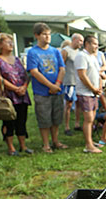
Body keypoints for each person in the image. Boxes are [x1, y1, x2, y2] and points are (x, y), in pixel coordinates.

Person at [0, 33, 32, 156]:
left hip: (22, 95)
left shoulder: (17, 59)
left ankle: (23, 146)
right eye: (8, 42)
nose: (11, 44)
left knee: (22, 120)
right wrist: (15, 88)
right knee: (9, 122)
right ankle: (11, 147)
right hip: (7, 96)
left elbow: (25, 75)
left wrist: (24, 87)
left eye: (11, 42)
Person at [27, 22, 67, 153]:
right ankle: (46, 144)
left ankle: (55, 141)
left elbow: (62, 68)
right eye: (44, 34)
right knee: (44, 119)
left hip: (56, 90)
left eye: (49, 34)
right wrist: (50, 86)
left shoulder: (55, 51)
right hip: (42, 92)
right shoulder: (33, 52)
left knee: (56, 118)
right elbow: (34, 72)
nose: (47, 37)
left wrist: (57, 84)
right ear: (37, 35)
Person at [74, 35, 103, 153]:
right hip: (85, 92)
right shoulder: (81, 56)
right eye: (95, 44)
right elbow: (82, 75)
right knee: (88, 118)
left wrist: (99, 86)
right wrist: (93, 88)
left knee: (92, 118)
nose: (97, 46)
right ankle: (88, 145)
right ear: (87, 44)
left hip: (94, 92)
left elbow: (98, 73)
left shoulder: (93, 57)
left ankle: (90, 141)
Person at [61, 33, 84, 136]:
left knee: (78, 103)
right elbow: (61, 66)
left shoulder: (79, 52)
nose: (81, 43)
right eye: (80, 41)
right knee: (69, 103)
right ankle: (66, 126)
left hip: (78, 81)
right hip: (69, 81)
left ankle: (77, 124)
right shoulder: (66, 50)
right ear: (74, 39)